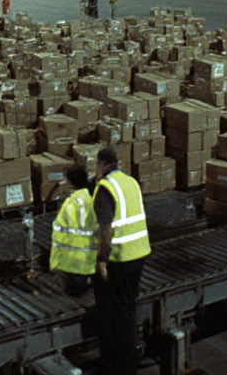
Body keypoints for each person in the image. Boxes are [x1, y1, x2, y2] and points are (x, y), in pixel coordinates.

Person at [93, 147, 150, 375]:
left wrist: (101, 261)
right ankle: (129, 361)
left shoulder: (105, 189)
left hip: (121, 257)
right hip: (139, 254)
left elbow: (106, 230)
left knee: (115, 315)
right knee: (127, 308)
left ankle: (121, 366)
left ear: (102, 165)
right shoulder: (131, 182)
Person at [50, 166, 96, 296]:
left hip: (73, 259)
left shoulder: (71, 203)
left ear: (70, 183)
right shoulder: (91, 198)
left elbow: (63, 229)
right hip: (90, 258)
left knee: (73, 291)